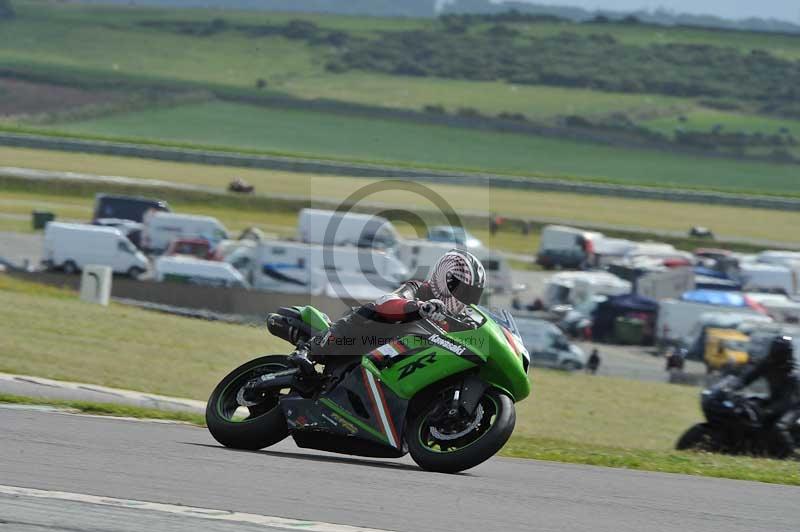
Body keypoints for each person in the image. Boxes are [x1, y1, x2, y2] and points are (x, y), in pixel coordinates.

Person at [289, 249, 487, 374]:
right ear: (446, 279)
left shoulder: (457, 319)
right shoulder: (418, 289)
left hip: (395, 364)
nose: (467, 299)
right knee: (372, 312)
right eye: (464, 291)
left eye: (472, 294)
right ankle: (309, 350)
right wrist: (419, 308)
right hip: (366, 339)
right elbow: (388, 302)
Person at [732, 335, 800, 458]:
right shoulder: (768, 364)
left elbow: (787, 401)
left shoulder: (792, 374)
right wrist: (732, 387)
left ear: (786, 353)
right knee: (747, 409)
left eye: (779, 351)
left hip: (793, 406)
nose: (776, 353)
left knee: (779, 427)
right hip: (776, 400)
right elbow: (748, 377)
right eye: (775, 349)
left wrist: (767, 411)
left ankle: (794, 456)